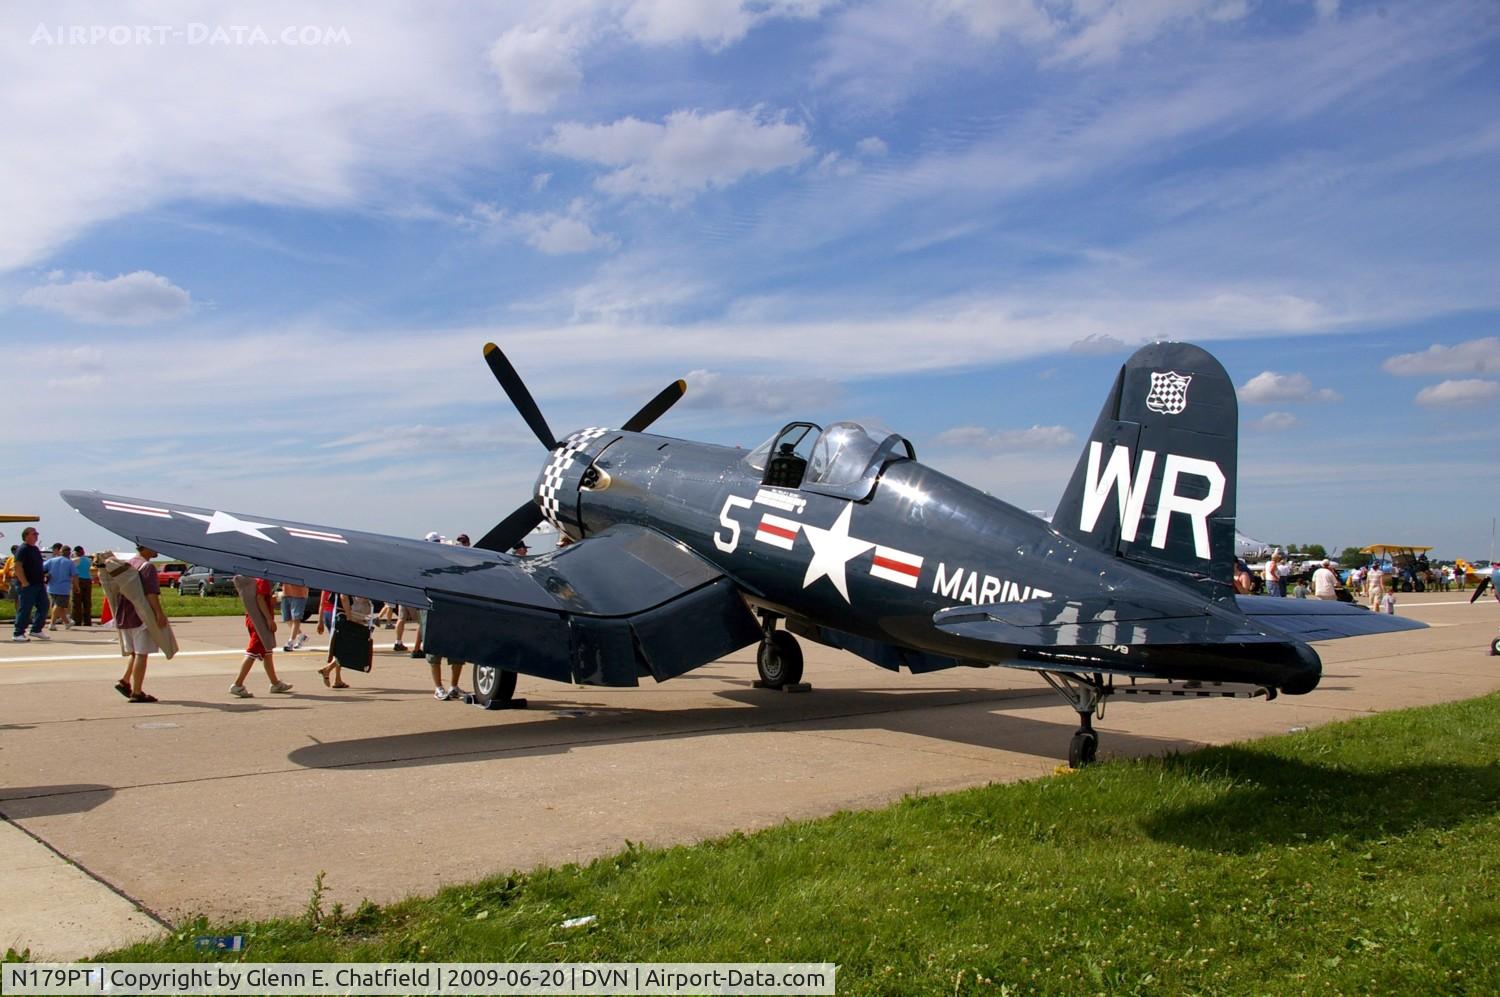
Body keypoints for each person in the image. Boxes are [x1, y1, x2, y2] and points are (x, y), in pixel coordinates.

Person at [114, 544, 167, 702]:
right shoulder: (147, 566)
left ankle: (125, 681)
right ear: (145, 547)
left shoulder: (130, 563)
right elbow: (151, 593)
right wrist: (159, 613)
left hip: (125, 612)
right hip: (141, 614)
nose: (157, 549)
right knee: (142, 654)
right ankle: (137, 692)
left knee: (135, 653)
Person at [230, 577, 292, 698]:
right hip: (260, 621)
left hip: (253, 618)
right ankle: (237, 684)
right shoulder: (263, 579)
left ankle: (275, 683)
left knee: (267, 652)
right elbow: (260, 598)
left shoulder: (255, 579)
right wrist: (269, 619)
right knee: (253, 651)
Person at [11, 527, 48, 641]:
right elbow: (17, 566)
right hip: (28, 585)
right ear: (26, 536)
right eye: (34, 534)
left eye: (37, 533)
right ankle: (18, 633)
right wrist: (24, 582)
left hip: (39, 584)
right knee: (25, 608)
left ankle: (36, 629)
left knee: (44, 606)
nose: (37, 535)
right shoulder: (23, 549)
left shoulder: (35, 549)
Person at [43, 542, 76, 630]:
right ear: (69, 553)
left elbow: (42, 568)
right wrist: (76, 586)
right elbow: (74, 576)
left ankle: (67, 622)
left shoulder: (51, 560)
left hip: (52, 587)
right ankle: (52, 623)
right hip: (63, 588)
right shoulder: (70, 563)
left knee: (59, 606)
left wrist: (47, 575)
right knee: (58, 605)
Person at [279, 582, 309, 651]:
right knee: (286, 618)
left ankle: (290, 642)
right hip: (286, 593)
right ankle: (302, 636)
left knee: (296, 618)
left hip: (299, 594)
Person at [71, 546, 93, 626]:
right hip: (88, 580)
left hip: (79, 580)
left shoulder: (75, 560)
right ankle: (87, 621)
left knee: (77, 601)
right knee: (87, 601)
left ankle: (77, 620)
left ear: (77, 552)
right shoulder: (89, 560)